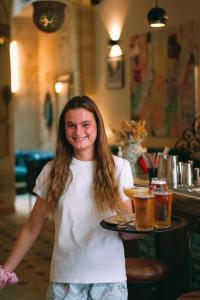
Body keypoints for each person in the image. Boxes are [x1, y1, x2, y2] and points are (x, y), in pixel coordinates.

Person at [0, 95, 134, 300]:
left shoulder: (119, 168)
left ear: (97, 125)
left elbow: (129, 234)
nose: (78, 132)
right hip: (65, 279)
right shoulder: (52, 171)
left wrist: (141, 220)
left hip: (110, 277)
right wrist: (4, 272)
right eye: (71, 125)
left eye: (85, 124)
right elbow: (31, 228)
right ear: (64, 130)